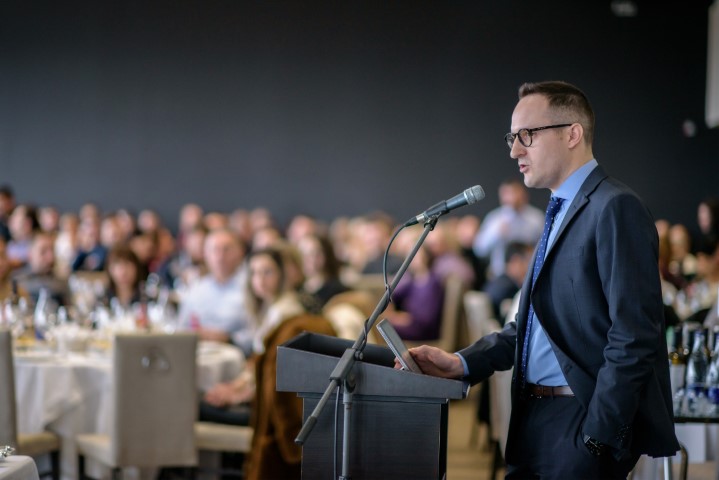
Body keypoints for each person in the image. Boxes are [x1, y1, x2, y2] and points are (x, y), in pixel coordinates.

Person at [407, 81, 679, 479]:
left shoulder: (615, 206)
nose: (514, 151)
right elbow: (533, 326)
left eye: (527, 135)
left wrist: (597, 437)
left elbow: (634, 335)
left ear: (572, 134)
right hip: (533, 419)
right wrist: (462, 362)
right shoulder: (558, 209)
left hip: (578, 422)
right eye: (512, 138)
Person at [472, 178, 544, 280]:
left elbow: (544, 246)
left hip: (529, 274)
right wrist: (496, 233)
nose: (511, 197)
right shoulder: (494, 218)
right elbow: (479, 249)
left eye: (514, 192)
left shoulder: (536, 218)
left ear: (523, 194)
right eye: (506, 194)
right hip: (500, 275)